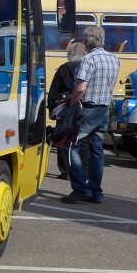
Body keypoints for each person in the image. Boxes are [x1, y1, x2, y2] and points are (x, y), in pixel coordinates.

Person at [62, 26, 119, 203]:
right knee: (97, 151)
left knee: (71, 146)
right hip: (103, 110)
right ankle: (96, 191)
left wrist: (70, 105)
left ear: (86, 41)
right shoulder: (114, 59)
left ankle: (81, 188)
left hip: (88, 109)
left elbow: (81, 88)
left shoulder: (88, 59)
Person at [47, 39, 86, 179]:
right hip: (82, 106)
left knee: (63, 137)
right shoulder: (85, 67)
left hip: (65, 106)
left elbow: (53, 90)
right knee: (79, 139)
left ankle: (65, 170)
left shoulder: (64, 68)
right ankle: (81, 169)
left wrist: (51, 109)